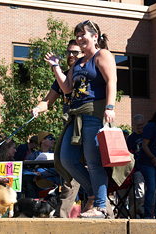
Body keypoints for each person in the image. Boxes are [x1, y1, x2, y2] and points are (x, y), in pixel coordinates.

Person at [44, 20, 117, 218]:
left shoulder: (102, 55)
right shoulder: (77, 62)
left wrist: (110, 107)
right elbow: (66, 88)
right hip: (75, 115)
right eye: (77, 35)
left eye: (82, 34)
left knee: (94, 162)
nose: (79, 38)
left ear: (95, 37)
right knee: (67, 159)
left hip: (94, 112)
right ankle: (95, 194)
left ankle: (100, 206)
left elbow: (112, 81)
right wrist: (56, 67)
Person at [31, 40, 83, 218]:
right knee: (69, 170)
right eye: (69, 52)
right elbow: (48, 101)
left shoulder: (88, 73)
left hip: (85, 127)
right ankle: (64, 217)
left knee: (83, 170)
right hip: (70, 128)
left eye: (75, 52)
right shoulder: (63, 75)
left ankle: (102, 210)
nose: (71, 55)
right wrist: (38, 108)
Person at [139, 107, 156, 218]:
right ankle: (147, 214)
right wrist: (153, 158)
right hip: (148, 162)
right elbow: (144, 145)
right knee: (151, 187)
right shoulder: (151, 126)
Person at [127, 114, 146, 217]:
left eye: (141, 125)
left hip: (149, 167)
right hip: (138, 168)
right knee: (140, 193)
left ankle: (150, 214)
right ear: (134, 125)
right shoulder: (131, 138)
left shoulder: (148, 135)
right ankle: (140, 214)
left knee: (152, 192)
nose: (139, 127)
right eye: (137, 125)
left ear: (144, 124)